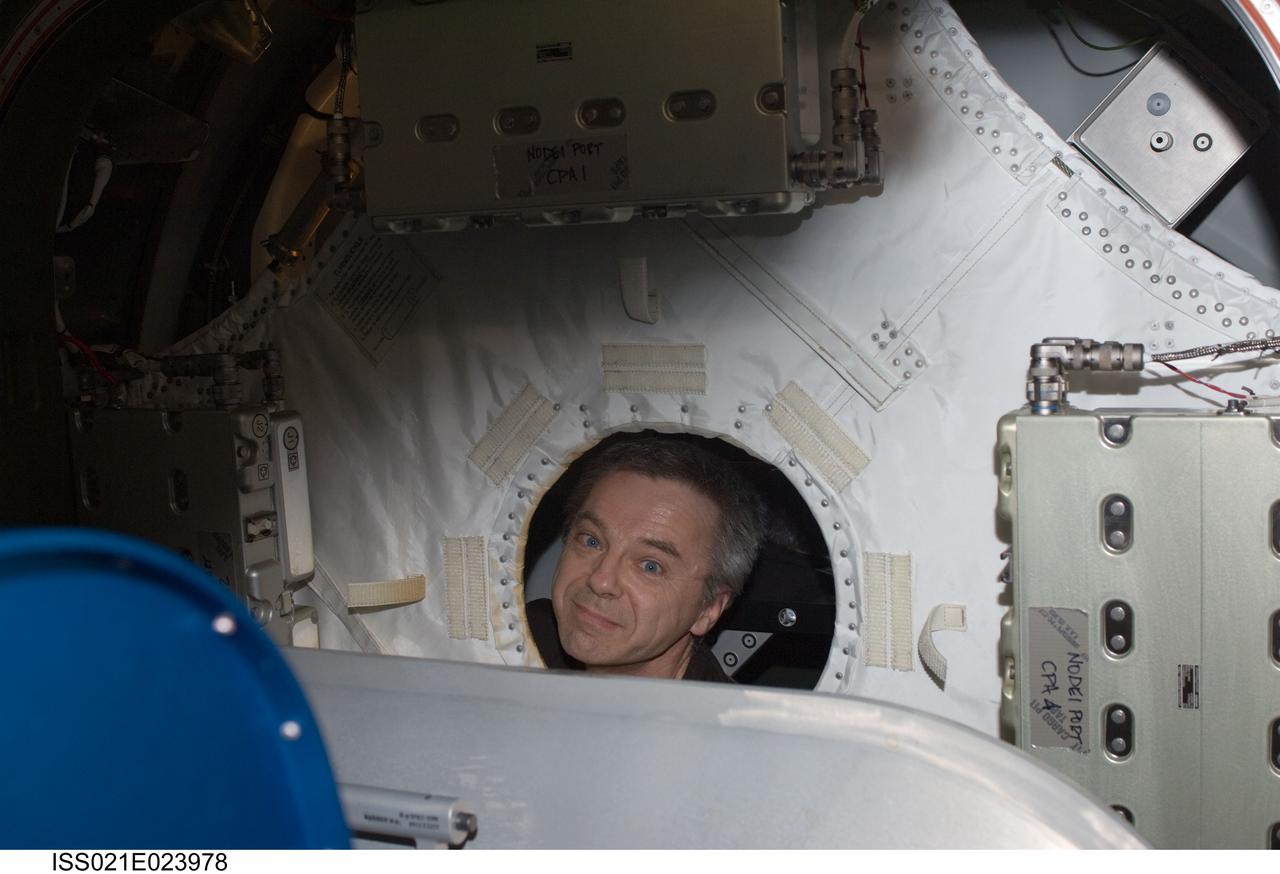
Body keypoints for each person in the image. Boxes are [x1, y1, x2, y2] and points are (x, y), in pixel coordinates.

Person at [526, 433, 765, 682]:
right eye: (592, 541)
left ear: (708, 609)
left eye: (650, 566)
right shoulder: (505, 642)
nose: (601, 581)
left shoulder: (719, 720)